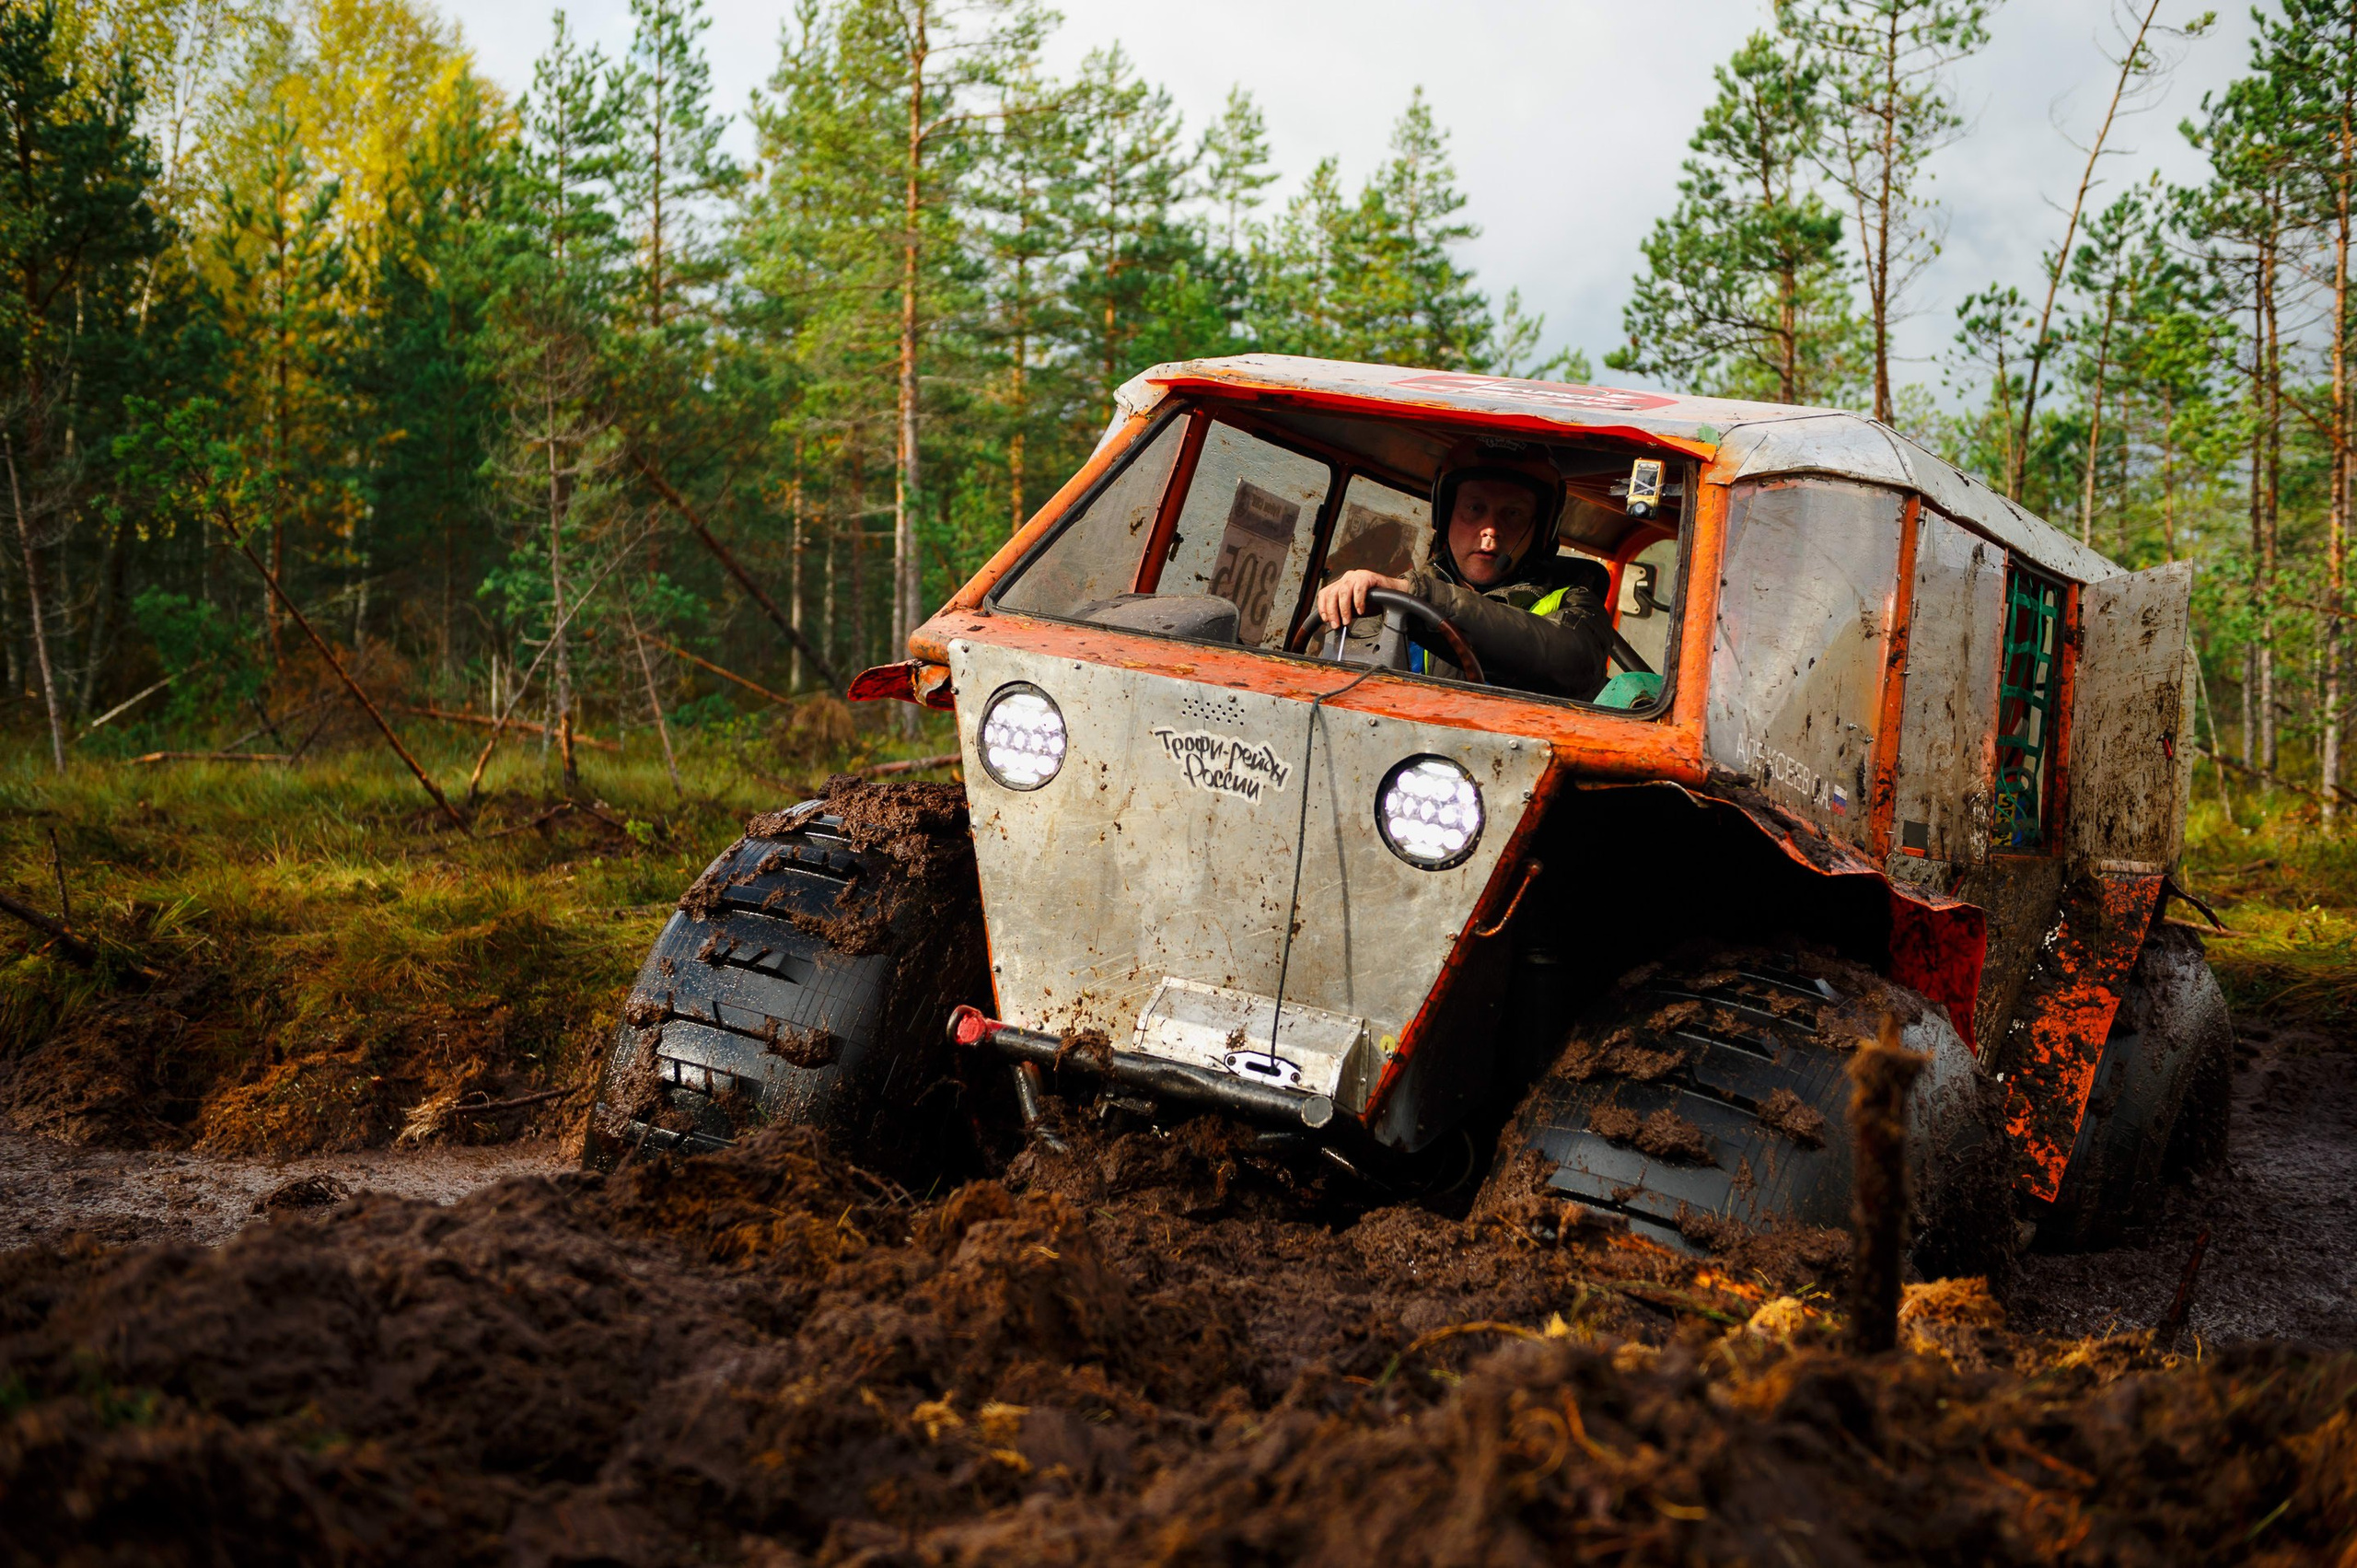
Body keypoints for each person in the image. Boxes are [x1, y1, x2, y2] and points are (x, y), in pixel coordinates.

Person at [1313, 440, 1611, 699]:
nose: (1491, 530)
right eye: (1474, 508)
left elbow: (1567, 662)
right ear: (1446, 516)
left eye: (1513, 513)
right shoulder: (1390, 599)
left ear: (1541, 531)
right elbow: (1340, 689)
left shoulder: (1575, 605)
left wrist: (1416, 596)